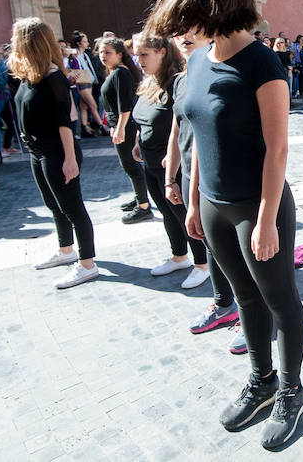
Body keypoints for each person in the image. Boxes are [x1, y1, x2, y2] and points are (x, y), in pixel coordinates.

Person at [145, 0, 303, 449]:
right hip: (214, 205)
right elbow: (196, 136)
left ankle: (290, 390)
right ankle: (260, 381)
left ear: (211, 4)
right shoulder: (196, 60)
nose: (181, 28)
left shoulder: (263, 62)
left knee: (280, 301)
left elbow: (277, 149)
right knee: (244, 298)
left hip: (260, 206)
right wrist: (193, 203)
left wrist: (266, 220)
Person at [165, 32, 246, 353]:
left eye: (192, 31)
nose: (184, 36)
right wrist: (171, 178)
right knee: (210, 244)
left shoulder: (226, 73)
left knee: (237, 251)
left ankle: (249, 312)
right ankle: (223, 303)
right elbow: (178, 129)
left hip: (225, 178)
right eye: (178, 33)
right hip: (190, 173)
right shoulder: (181, 80)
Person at [8, 18, 98, 288]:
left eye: (17, 38)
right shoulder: (29, 76)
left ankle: (87, 264)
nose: (13, 43)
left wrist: (70, 159)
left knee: (72, 207)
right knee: (53, 205)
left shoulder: (53, 77)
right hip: (37, 150)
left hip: (56, 151)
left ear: (29, 42)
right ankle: (66, 250)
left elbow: (64, 122)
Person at [130, 33, 213, 292]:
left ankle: (202, 264)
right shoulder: (151, 83)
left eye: (144, 54)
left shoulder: (178, 81)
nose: (139, 60)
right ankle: (179, 256)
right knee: (167, 212)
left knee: (185, 214)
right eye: (137, 55)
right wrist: (137, 141)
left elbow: (182, 125)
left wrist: (173, 159)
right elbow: (145, 117)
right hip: (151, 159)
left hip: (175, 161)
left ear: (162, 52)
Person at [99, 37, 152, 223]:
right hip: (120, 125)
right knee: (130, 165)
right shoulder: (115, 73)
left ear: (119, 54)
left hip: (125, 126)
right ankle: (140, 197)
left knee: (130, 165)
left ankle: (144, 206)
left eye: (108, 52)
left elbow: (125, 106)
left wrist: (120, 129)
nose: (103, 56)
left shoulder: (121, 74)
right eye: (101, 52)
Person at [68, 31, 107, 137]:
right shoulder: (74, 54)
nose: (87, 43)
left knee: (83, 106)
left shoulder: (85, 54)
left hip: (88, 80)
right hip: (81, 80)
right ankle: (101, 126)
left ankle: (84, 127)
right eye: (84, 41)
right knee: (93, 105)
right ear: (79, 43)